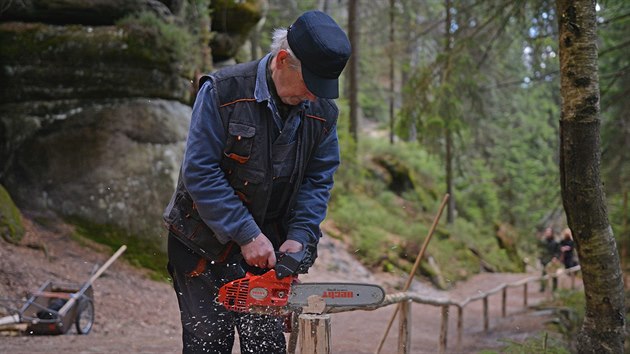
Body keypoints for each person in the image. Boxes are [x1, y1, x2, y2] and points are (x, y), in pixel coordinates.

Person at [162, 10, 351, 354]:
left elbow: (316, 181)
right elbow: (200, 172)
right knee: (207, 344)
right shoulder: (223, 92)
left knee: (265, 346)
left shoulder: (322, 112)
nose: (313, 96)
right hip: (200, 242)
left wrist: (299, 237)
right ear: (283, 61)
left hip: (269, 256)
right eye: (310, 85)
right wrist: (246, 233)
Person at [538, 227, 559, 291]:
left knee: (554, 274)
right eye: (547, 232)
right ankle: (542, 287)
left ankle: (555, 288)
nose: (548, 233)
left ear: (552, 233)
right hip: (545, 260)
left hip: (552, 260)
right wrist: (541, 258)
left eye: (549, 232)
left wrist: (555, 257)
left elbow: (557, 251)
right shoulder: (543, 242)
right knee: (544, 273)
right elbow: (541, 251)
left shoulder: (555, 242)